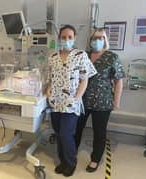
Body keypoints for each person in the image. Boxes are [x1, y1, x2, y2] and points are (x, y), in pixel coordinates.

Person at [46, 25, 97, 177]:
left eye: (69, 37)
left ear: (74, 38)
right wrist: (48, 93)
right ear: (59, 38)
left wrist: (76, 98)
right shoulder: (52, 57)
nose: (66, 40)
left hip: (71, 102)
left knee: (66, 134)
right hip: (55, 102)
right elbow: (50, 79)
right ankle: (62, 161)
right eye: (63, 37)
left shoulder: (80, 55)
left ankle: (71, 163)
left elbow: (84, 80)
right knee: (58, 133)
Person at [75, 28, 125, 172]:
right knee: (76, 128)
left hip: (103, 102)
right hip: (82, 100)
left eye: (101, 38)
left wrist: (116, 102)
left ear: (105, 40)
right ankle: (72, 152)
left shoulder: (112, 57)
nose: (97, 40)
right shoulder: (83, 56)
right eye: (95, 38)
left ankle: (95, 159)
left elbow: (118, 81)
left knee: (99, 132)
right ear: (90, 40)